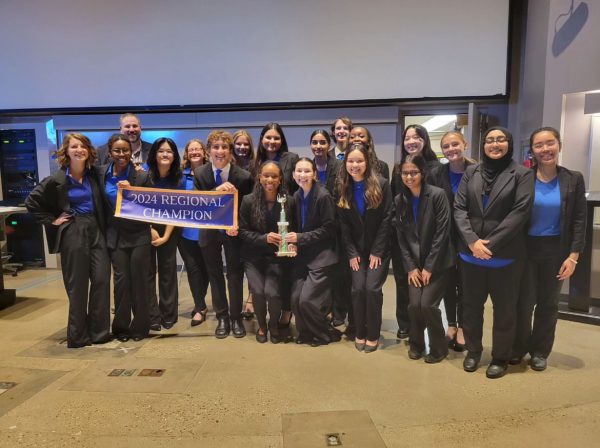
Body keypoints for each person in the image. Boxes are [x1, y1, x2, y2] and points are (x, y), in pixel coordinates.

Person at [454, 126, 534, 379]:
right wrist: (472, 242)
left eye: (500, 140)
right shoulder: (471, 172)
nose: (495, 144)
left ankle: (500, 357)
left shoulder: (522, 174)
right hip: (470, 256)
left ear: (509, 144)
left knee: (505, 310)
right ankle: (474, 351)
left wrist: (489, 244)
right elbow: (459, 208)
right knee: (471, 307)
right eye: (490, 140)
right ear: (483, 145)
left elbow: (520, 212)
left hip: (505, 256)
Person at [26, 133, 111, 348]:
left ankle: (99, 332)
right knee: (78, 285)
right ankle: (78, 335)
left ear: (89, 151)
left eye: (83, 146)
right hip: (73, 230)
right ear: (66, 151)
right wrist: (52, 221)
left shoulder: (94, 175)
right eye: (74, 146)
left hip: (96, 229)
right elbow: (32, 202)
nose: (79, 150)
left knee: (101, 279)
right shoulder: (57, 180)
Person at [512, 127, 586, 371]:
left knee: (548, 303)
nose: (545, 149)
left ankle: (540, 351)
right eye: (539, 145)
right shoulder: (523, 177)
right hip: (526, 250)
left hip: (556, 250)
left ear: (559, 145)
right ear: (532, 150)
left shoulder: (573, 178)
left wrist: (573, 257)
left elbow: (578, 220)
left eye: (550, 143)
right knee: (523, 303)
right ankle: (519, 347)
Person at [194, 130, 253, 339]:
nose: (220, 152)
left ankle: (236, 316)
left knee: (235, 275)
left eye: (224, 147)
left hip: (233, 232)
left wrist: (237, 224)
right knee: (215, 274)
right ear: (209, 151)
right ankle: (222, 316)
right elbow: (197, 204)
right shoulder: (200, 174)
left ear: (231, 152)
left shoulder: (244, 176)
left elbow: (248, 208)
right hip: (210, 232)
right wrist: (217, 191)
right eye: (216, 147)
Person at [395, 154, 454, 362]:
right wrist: (411, 267)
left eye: (413, 172)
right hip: (414, 265)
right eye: (405, 173)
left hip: (437, 263)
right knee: (413, 305)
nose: (409, 177)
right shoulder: (400, 199)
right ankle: (416, 344)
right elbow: (401, 237)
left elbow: (442, 233)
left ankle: (439, 348)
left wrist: (429, 267)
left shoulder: (437, 195)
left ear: (422, 173)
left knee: (427, 305)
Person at [337, 143, 393, 353]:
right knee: (358, 289)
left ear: (367, 162)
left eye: (359, 160)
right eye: (350, 161)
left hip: (378, 250)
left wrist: (377, 251)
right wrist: (351, 253)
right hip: (355, 252)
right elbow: (343, 225)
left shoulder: (382, 184)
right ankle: (359, 331)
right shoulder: (343, 186)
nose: (355, 165)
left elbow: (387, 219)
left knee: (371, 289)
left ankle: (373, 334)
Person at [98, 134, 152, 342]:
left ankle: (140, 327)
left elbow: (152, 206)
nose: (122, 154)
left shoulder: (142, 176)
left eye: (126, 150)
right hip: (114, 236)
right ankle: (120, 327)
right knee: (121, 282)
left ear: (132, 152)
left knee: (139, 281)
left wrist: (133, 193)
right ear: (110, 152)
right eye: (117, 150)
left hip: (139, 235)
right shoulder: (101, 174)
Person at [390, 124, 441, 340]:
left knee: (428, 289)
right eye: (407, 138)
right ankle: (405, 324)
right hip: (405, 236)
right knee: (404, 282)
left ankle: (426, 328)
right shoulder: (397, 168)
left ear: (425, 139)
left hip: (430, 239)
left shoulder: (437, 168)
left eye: (416, 137)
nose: (411, 141)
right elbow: (394, 201)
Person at [428, 131, 475, 351]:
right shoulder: (437, 173)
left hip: (469, 237)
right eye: (446, 146)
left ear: (464, 144)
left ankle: (465, 327)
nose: (451, 149)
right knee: (447, 283)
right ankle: (452, 325)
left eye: (455, 144)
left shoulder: (477, 171)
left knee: (466, 284)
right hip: (444, 236)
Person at [239, 161, 293, 344]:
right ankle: (262, 326)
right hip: (253, 257)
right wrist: (264, 239)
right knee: (258, 291)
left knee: (272, 293)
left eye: (274, 176)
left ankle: (274, 326)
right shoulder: (248, 201)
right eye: (266, 175)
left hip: (276, 258)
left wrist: (291, 245)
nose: (270, 179)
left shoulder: (288, 201)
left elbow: (295, 230)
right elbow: (243, 232)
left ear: (280, 180)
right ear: (259, 177)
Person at [288, 158, 339, 346]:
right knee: (295, 299)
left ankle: (324, 334)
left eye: (307, 171)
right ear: (293, 175)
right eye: (299, 171)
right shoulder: (297, 195)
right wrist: (293, 243)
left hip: (323, 256)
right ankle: (305, 333)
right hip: (303, 256)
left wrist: (300, 238)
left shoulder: (323, 196)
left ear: (315, 174)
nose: (303, 175)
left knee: (307, 301)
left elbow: (329, 229)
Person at [146, 137, 182, 330]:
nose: (165, 154)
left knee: (168, 272)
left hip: (170, 228)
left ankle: (168, 315)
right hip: (146, 227)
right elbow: (139, 206)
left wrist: (166, 235)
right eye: (161, 151)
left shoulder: (179, 178)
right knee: (148, 272)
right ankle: (152, 316)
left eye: (169, 151)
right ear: (154, 154)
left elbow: (176, 209)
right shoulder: (144, 176)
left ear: (174, 155)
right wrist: (150, 229)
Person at [179, 139, 210, 327]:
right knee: (193, 269)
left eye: (198, 149)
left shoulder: (210, 173)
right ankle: (200, 307)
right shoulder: (180, 175)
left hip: (207, 230)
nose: (195, 152)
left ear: (204, 152)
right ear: (187, 154)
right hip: (185, 231)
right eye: (191, 150)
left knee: (206, 269)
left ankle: (201, 302)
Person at [232, 130, 256, 320]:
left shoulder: (255, 167)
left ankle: (251, 298)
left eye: (245, 144)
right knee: (234, 266)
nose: (242, 147)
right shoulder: (227, 166)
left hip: (249, 222)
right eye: (238, 144)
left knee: (250, 262)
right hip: (230, 224)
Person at [253, 122, 299, 193]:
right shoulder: (254, 163)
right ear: (262, 139)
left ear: (282, 140)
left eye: (276, 138)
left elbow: (297, 188)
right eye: (268, 137)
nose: (272, 141)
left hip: (286, 202)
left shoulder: (292, 159)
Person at [310, 129, 341, 195]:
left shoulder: (339, 165)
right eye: (314, 143)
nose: (318, 146)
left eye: (322, 142)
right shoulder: (308, 168)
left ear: (329, 145)